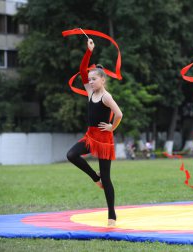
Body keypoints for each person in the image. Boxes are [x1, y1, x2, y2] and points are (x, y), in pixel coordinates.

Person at [66, 38, 123, 227]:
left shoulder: (106, 97)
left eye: (93, 79)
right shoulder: (90, 92)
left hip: (104, 138)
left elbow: (119, 114)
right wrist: (88, 51)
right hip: (90, 136)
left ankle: (112, 216)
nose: (89, 81)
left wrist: (111, 127)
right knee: (71, 154)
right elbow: (82, 70)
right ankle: (94, 177)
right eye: (89, 79)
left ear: (103, 80)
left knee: (107, 179)